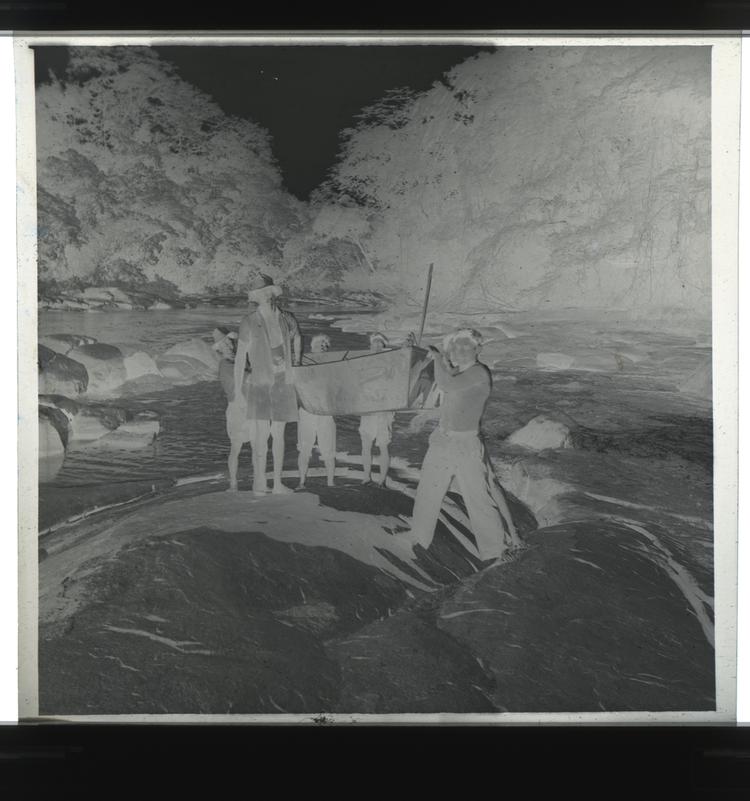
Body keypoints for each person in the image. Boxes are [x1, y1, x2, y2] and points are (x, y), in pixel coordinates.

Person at [401, 328, 521, 562]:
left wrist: (437, 358)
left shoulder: (479, 373)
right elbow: (451, 398)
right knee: (427, 490)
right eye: (456, 346)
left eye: (466, 345)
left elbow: (446, 385)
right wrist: (426, 416)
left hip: (465, 444)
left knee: (478, 498)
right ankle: (418, 536)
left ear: (478, 349)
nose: (460, 349)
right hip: (442, 440)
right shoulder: (458, 371)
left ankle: (495, 550)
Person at [233, 273, 301, 495]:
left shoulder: (286, 318)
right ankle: (260, 482)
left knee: (279, 434)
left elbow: (298, 336)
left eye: (270, 293)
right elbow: (240, 358)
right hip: (260, 383)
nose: (267, 297)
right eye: (262, 294)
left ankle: (278, 482)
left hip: (283, 381)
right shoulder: (249, 322)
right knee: (261, 435)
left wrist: (296, 362)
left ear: (274, 294)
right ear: (257, 297)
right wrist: (237, 392)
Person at [213, 326, 252, 492]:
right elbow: (244, 380)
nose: (230, 348)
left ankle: (256, 478)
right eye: (226, 346)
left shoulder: (237, 362)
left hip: (249, 406)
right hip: (237, 408)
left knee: (257, 444)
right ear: (220, 350)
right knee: (235, 447)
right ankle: (233, 483)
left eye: (231, 344)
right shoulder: (225, 366)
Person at [297, 333, 337, 488]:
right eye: (320, 344)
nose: (323, 347)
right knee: (304, 448)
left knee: (328, 448)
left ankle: (330, 482)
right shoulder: (302, 363)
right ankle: (301, 482)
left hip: (326, 412)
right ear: (312, 347)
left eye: (325, 345)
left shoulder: (333, 366)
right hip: (307, 411)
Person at [358, 332, 395, 486]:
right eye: (375, 343)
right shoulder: (363, 362)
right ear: (370, 346)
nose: (378, 346)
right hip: (368, 408)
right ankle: (366, 477)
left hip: (383, 409)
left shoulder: (389, 362)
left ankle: (382, 480)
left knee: (383, 444)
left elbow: (394, 382)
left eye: (381, 343)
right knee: (366, 444)